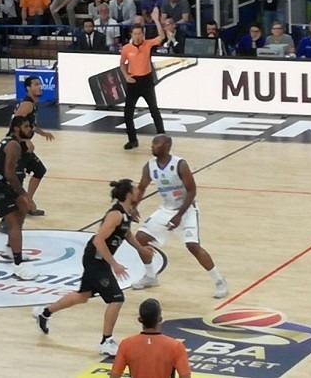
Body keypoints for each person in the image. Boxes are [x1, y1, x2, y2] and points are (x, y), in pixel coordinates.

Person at [32, 179, 150, 356]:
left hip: (98, 260)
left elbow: (126, 233)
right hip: (96, 259)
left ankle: (44, 312)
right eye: (134, 190)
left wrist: (141, 249)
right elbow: (98, 240)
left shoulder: (126, 212)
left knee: (83, 296)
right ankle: (106, 341)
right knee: (116, 298)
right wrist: (114, 264)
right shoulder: (115, 215)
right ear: (128, 195)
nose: (137, 192)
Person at [131, 135, 228, 298]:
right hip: (166, 209)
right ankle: (150, 276)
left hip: (187, 209)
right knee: (140, 238)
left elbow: (192, 190)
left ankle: (219, 281)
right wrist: (133, 207)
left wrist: (179, 215)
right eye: (152, 143)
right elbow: (141, 187)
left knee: (193, 246)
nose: (152, 146)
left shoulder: (180, 164)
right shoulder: (149, 166)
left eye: (156, 144)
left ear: (167, 146)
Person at [0, 116, 38, 281]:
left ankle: (10, 248)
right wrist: (24, 195)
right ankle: (18, 265)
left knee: (22, 209)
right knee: (14, 221)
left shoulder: (11, 142)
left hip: (0, 181)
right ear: (16, 128)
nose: (30, 129)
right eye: (26, 127)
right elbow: (9, 173)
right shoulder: (13, 145)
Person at [119, 7, 166, 150]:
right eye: (135, 33)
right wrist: (126, 76)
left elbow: (161, 37)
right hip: (133, 82)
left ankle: (162, 138)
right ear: (131, 34)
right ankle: (132, 140)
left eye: (139, 33)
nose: (137, 36)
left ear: (143, 34)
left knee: (154, 110)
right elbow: (122, 63)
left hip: (146, 81)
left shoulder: (147, 44)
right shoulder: (126, 48)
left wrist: (156, 20)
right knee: (128, 113)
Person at [109, 298, 191, 378]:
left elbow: (114, 375)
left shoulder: (126, 344)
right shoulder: (176, 346)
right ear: (160, 319)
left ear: (140, 320)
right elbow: (185, 375)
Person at [13, 77, 55, 216]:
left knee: (39, 170)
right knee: (17, 180)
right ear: (28, 88)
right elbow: (16, 122)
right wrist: (25, 140)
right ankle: (17, 209)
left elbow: (30, 125)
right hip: (16, 146)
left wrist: (43, 133)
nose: (40, 86)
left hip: (22, 146)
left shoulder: (32, 104)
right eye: (36, 84)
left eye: (40, 84)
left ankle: (28, 202)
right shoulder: (27, 104)